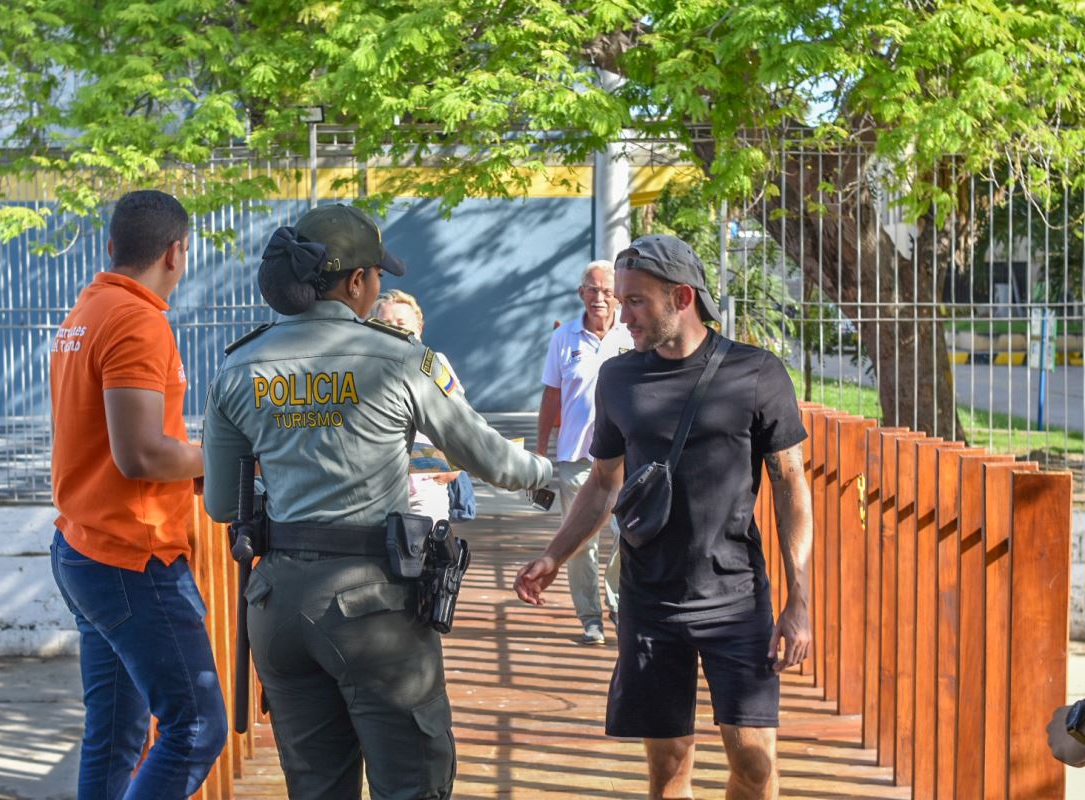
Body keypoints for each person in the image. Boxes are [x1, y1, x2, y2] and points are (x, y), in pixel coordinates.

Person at [202, 204, 552, 800]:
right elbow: (488, 457)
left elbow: (219, 500)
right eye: (378, 277)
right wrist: (549, 474)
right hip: (373, 605)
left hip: (277, 603)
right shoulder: (398, 358)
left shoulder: (239, 367)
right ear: (358, 281)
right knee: (412, 781)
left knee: (316, 787)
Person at [514, 234, 813, 800]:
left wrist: (799, 600)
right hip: (649, 598)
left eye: (634, 301)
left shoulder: (756, 373)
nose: (621, 315)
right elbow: (604, 483)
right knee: (668, 768)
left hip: (735, 597)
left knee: (754, 763)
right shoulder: (620, 379)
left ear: (682, 297)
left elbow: (791, 483)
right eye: (620, 300)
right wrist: (556, 554)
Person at [48, 190, 226, 798]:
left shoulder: (89, 309)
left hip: (84, 546)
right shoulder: (135, 320)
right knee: (196, 726)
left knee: (118, 735)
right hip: (132, 558)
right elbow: (141, 453)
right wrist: (222, 457)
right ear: (177, 253)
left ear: (110, 247)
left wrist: (191, 459)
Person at [536, 259, 632, 645]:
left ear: (618, 297)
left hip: (625, 457)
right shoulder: (564, 337)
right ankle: (589, 617)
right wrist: (540, 452)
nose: (599, 298)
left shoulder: (630, 336)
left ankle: (619, 604)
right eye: (592, 290)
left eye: (607, 291)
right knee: (579, 539)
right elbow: (551, 395)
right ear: (581, 294)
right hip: (576, 455)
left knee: (627, 533)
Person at [371, 289, 464, 520]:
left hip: (425, 488)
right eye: (386, 322)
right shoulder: (365, 368)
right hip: (376, 492)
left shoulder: (435, 364)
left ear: (419, 328)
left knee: (426, 552)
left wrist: (456, 465)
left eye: (402, 322)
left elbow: (459, 418)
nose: (395, 328)